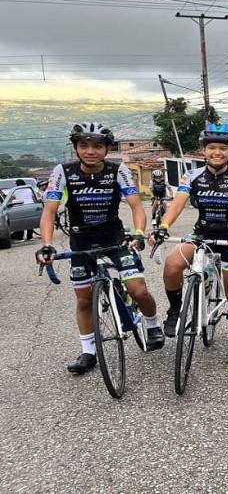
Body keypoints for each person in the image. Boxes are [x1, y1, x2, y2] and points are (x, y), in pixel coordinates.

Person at [35, 122, 164, 374]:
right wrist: (46, 244)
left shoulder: (118, 170)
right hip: (81, 241)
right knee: (84, 300)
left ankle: (151, 323)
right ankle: (88, 352)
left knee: (138, 290)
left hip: (115, 238)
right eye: (84, 146)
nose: (90, 151)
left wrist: (138, 233)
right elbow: (49, 212)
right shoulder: (63, 172)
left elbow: (137, 207)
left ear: (106, 149)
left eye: (97, 146)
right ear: (76, 148)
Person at [149, 123, 228, 362]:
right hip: (201, 234)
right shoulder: (192, 176)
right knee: (172, 264)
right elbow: (177, 205)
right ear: (203, 150)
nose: (217, 152)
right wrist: (163, 226)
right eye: (212, 148)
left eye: (223, 149)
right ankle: (175, 310)